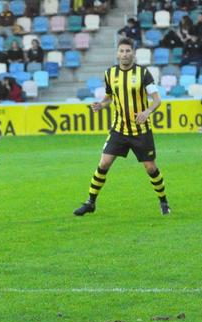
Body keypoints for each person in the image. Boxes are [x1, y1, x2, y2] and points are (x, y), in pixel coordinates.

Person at [73, 38, 170, 216]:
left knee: (151, 168)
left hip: (141, 131)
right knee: (103, 163)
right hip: (119, 129)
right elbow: (109, 97)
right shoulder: (110, 73)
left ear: (133, 52)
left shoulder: (143, 73)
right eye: (122, 51)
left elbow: (157, 100)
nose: (125, 54)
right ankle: (90, 202)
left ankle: (163, 201)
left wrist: (147, 112)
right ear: (117, 53)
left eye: (127, 51)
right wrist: (101, 105)